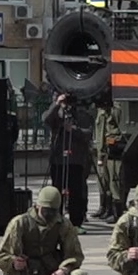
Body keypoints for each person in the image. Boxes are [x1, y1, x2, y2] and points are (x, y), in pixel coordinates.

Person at [42, 92, 95, 227]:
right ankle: (56, 220)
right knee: (57, 191)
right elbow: (46, 119)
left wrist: (73, 130)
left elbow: (88, 133)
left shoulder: (81, 114)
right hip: (58, 159)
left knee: (76, 193)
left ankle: (76, 223)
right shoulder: (56, 113)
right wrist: (57, 104)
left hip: (76, 160)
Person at [89, 96, 123, 222]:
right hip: (103, 150)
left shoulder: (115, 106)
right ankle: (105, 207)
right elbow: (100, 132)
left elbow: (118, 118)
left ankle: (116, 212)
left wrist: (112, 105)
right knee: (103, 180)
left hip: (112, 148)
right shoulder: (101, 111)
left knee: (114, 180)